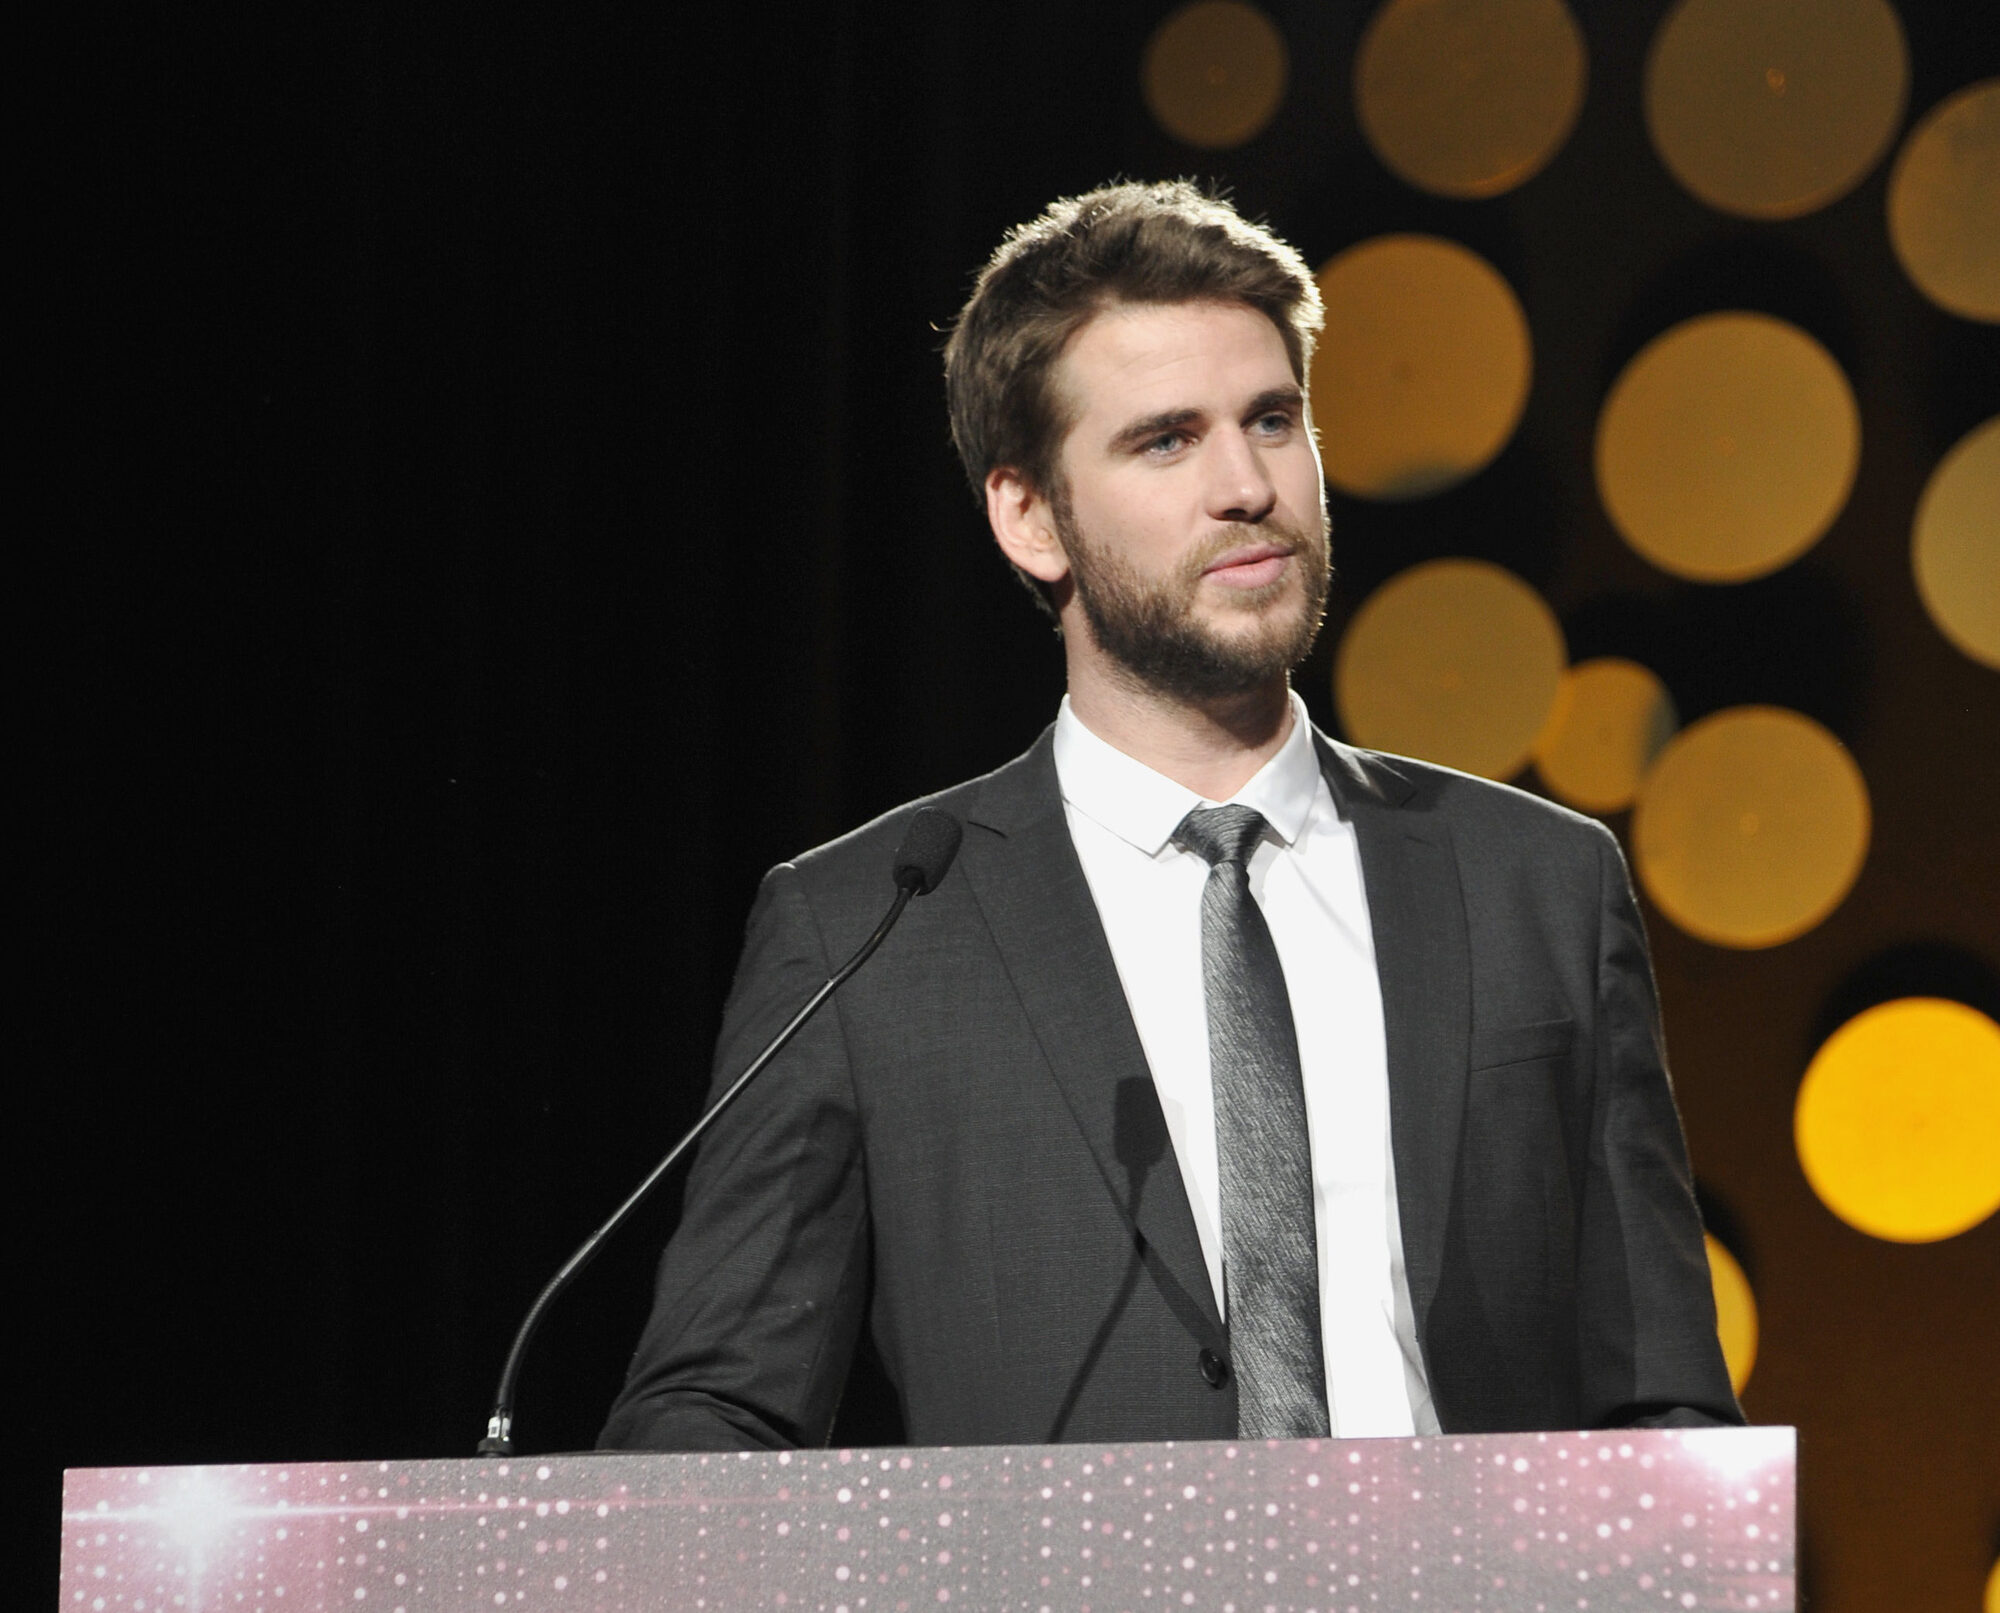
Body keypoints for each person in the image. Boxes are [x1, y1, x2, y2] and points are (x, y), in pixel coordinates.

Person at [599, 181, 1741, 1452]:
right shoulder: (866, 929)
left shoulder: (1538, 882)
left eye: (1272, 420)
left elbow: (1663, 1399)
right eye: (1164, 440)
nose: (1245, 484)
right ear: (1030, 516)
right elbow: (711, 1412)